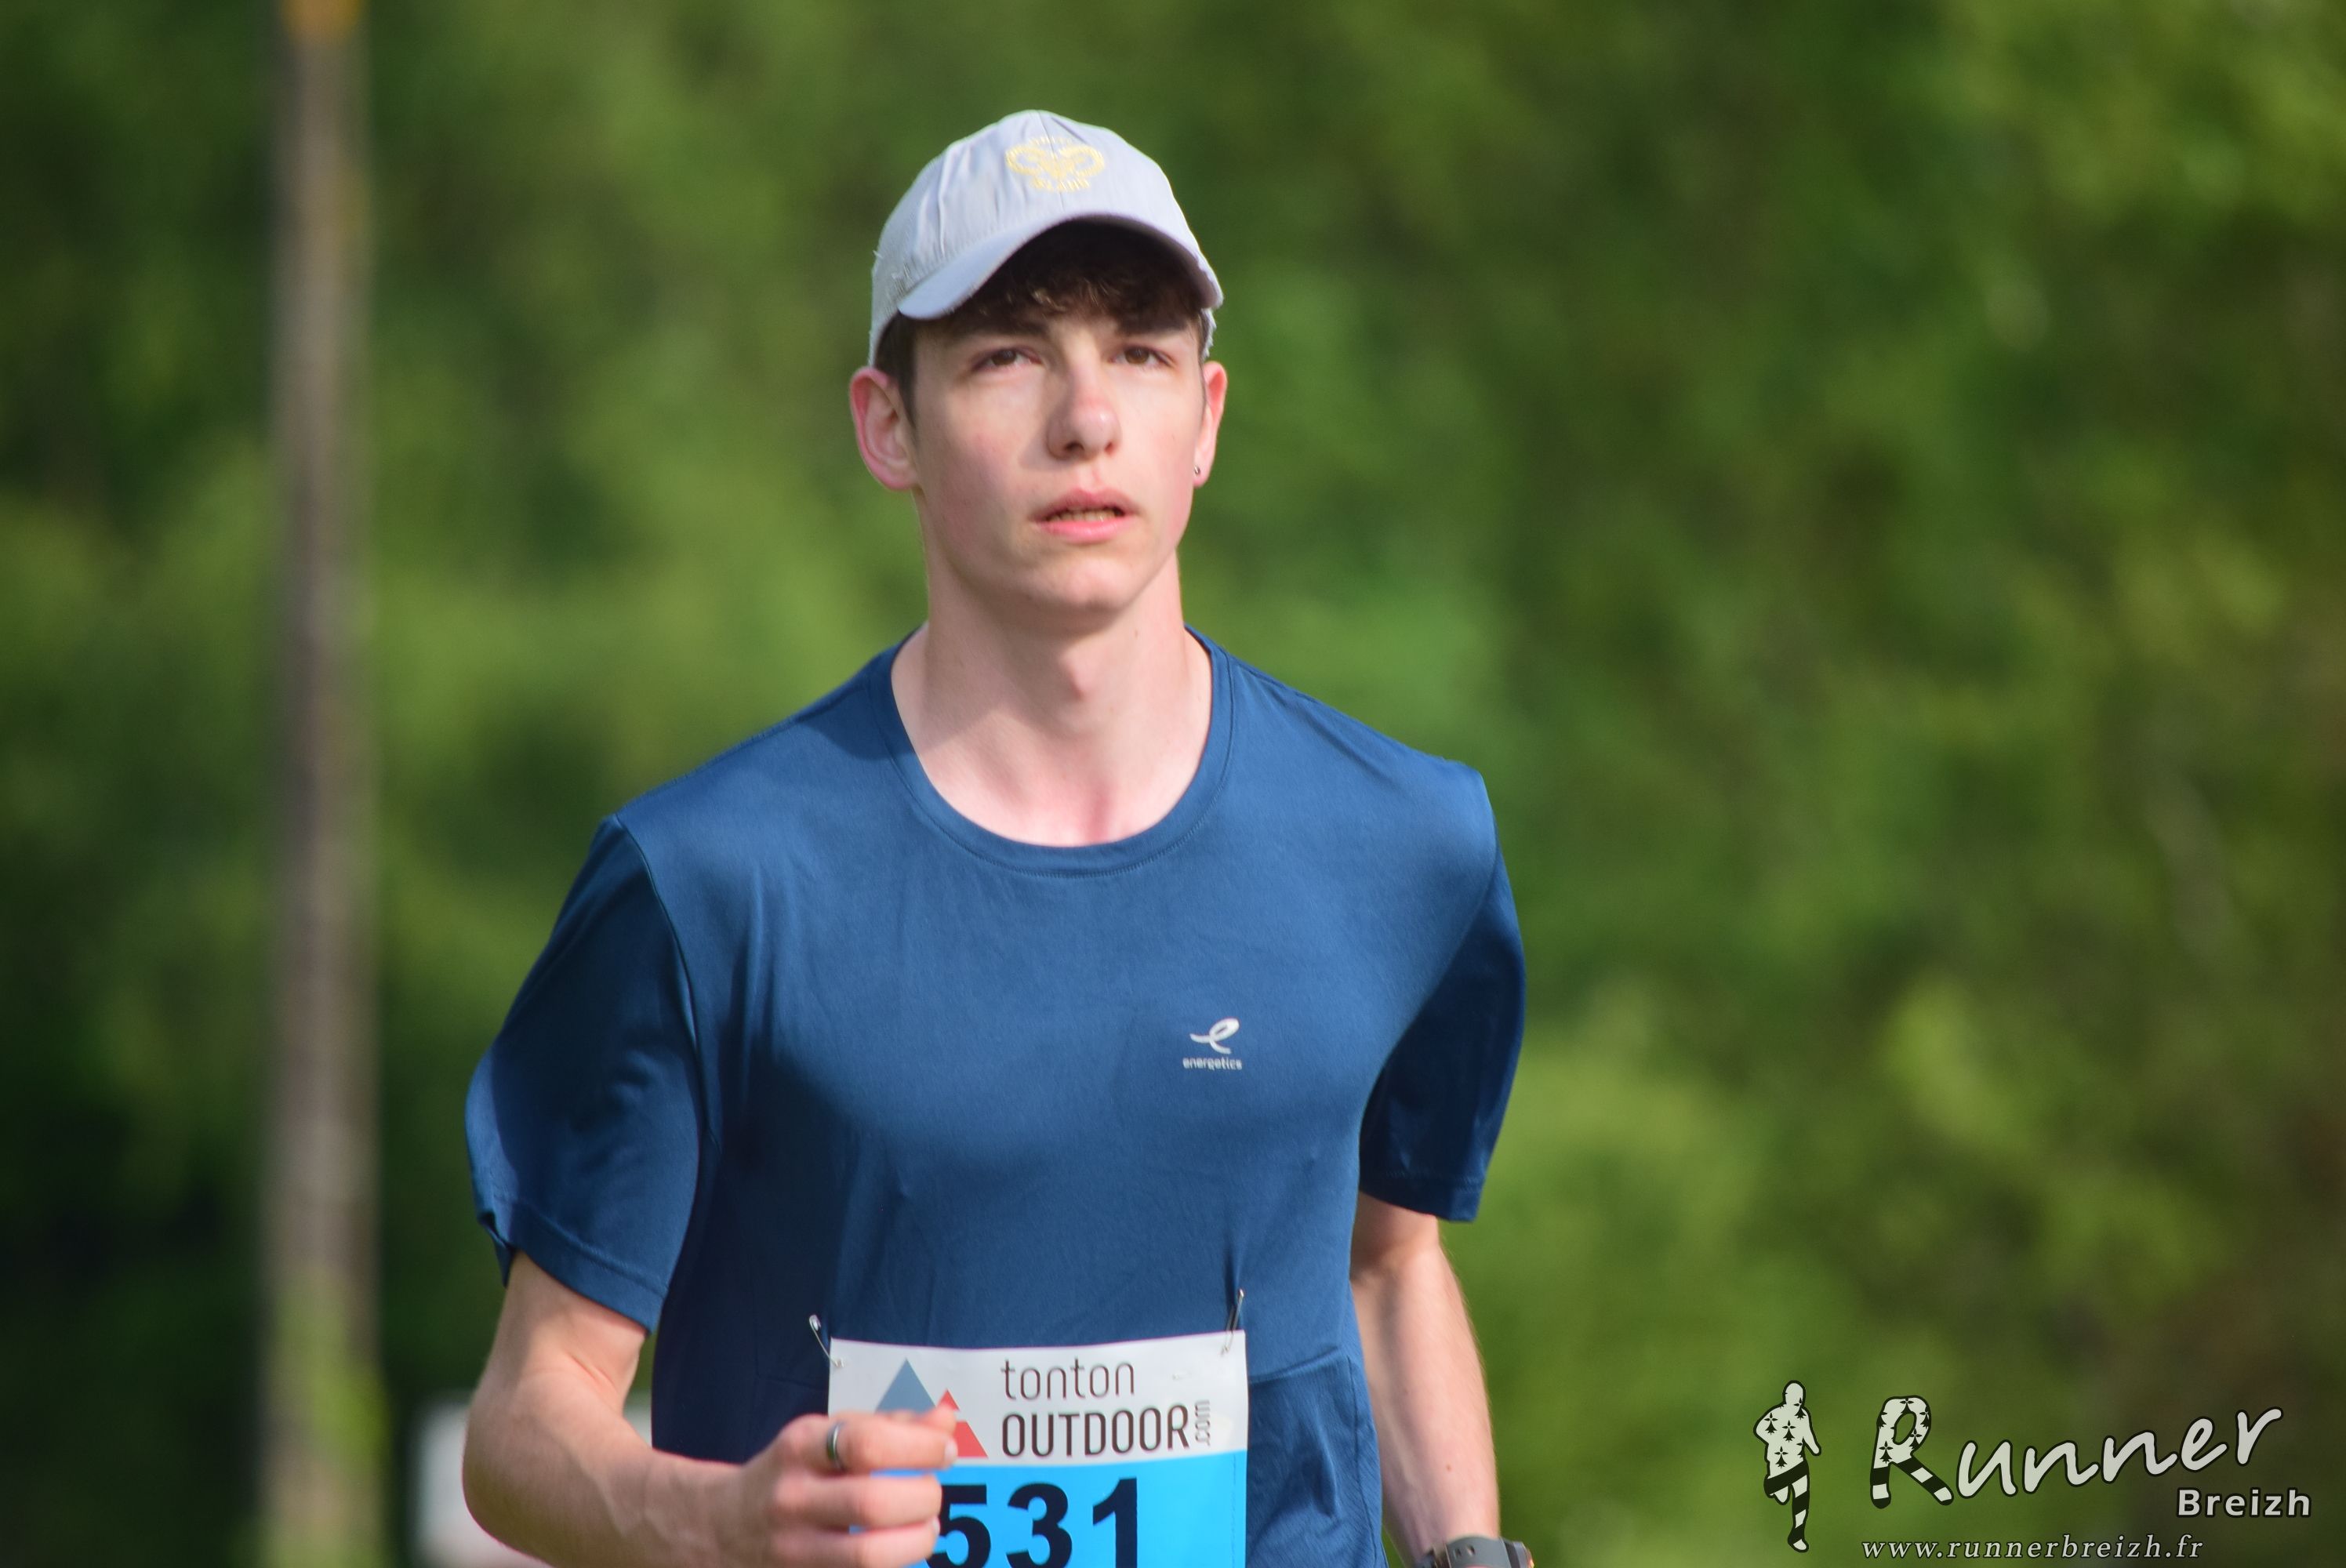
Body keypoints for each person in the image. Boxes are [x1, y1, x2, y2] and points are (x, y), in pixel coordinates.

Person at [459, 108, 1532, 1568]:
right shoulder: (707, 887)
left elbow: (1388, 1265)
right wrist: (715, 1520)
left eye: (1140, 352)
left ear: (1208, 418)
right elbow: (526, 1420)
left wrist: (1469, 1550)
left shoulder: (1407, 845)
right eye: (1009, 356)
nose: (1086, 418)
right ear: (886, 425)